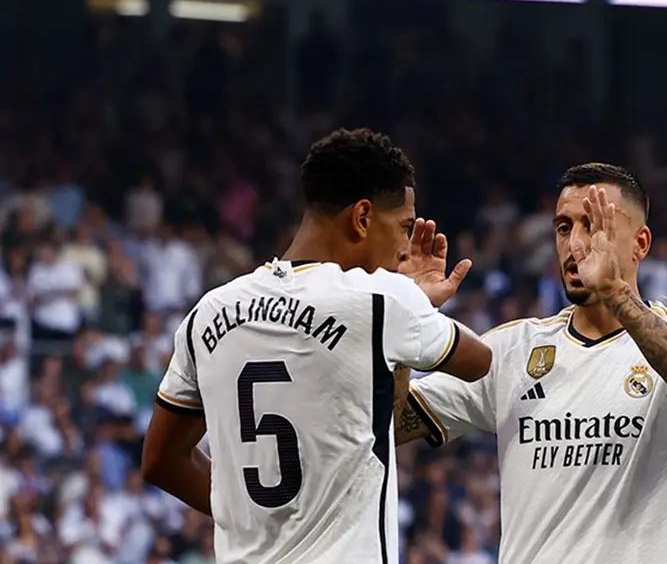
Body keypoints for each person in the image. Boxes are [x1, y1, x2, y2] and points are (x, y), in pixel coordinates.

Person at [140, 128, 492, 563]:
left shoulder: (209, 311)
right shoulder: (381, 299)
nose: (405, 246)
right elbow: (480, 361)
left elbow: (159, 460)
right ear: (362, 217)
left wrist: (243, 515)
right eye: (403, 227)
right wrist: (414, 297)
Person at [396, 163, 667, 563]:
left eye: (594, 226)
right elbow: (386, 426)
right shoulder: (511, 349)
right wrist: (406, 319)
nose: (576, 244)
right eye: (564, 228)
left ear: (641, 243)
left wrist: (616, 292)